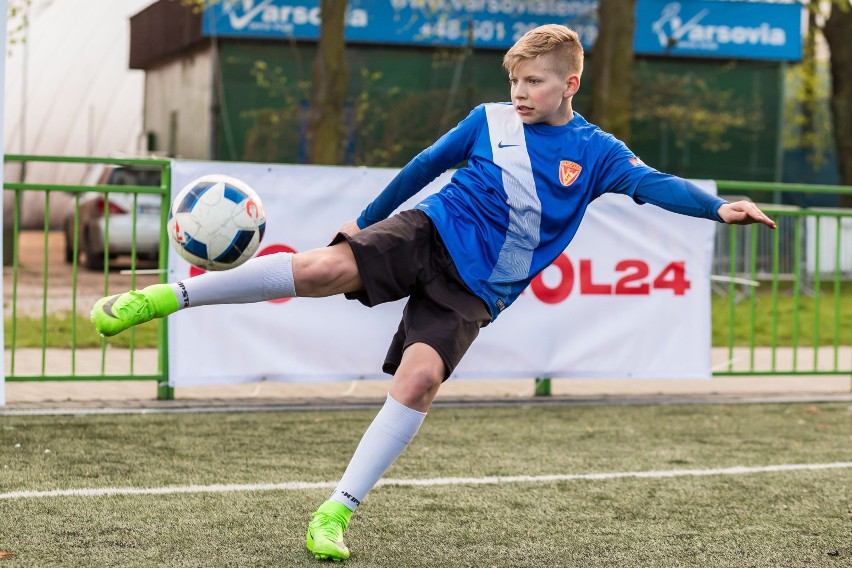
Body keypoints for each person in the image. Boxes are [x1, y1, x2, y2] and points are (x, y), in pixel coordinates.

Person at [91, 24, 776, 562]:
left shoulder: (597, 152)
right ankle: (165, 297)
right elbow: (424, 167)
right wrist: (361, 223)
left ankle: (335, 511)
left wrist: (719, 209)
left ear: (570, 83)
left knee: (419, 381)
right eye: (514, 80)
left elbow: (656, 184)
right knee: (326, 272)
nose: (520, 92)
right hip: (428, 232)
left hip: (478, 290)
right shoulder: (488, 121)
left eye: (534, 82)